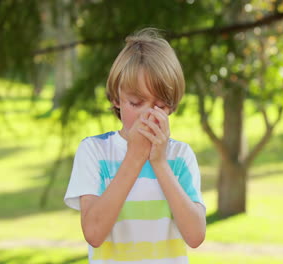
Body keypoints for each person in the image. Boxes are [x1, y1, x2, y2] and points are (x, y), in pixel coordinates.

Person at [64, 28, 206, 264]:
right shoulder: (94, 152)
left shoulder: (180, 156)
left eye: (160, 105)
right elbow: (94, 233)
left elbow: (195, 235)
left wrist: (159, 162)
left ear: (171, 107)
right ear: (116, 99)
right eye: (136, 102)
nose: (148, 114)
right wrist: (134, 157)